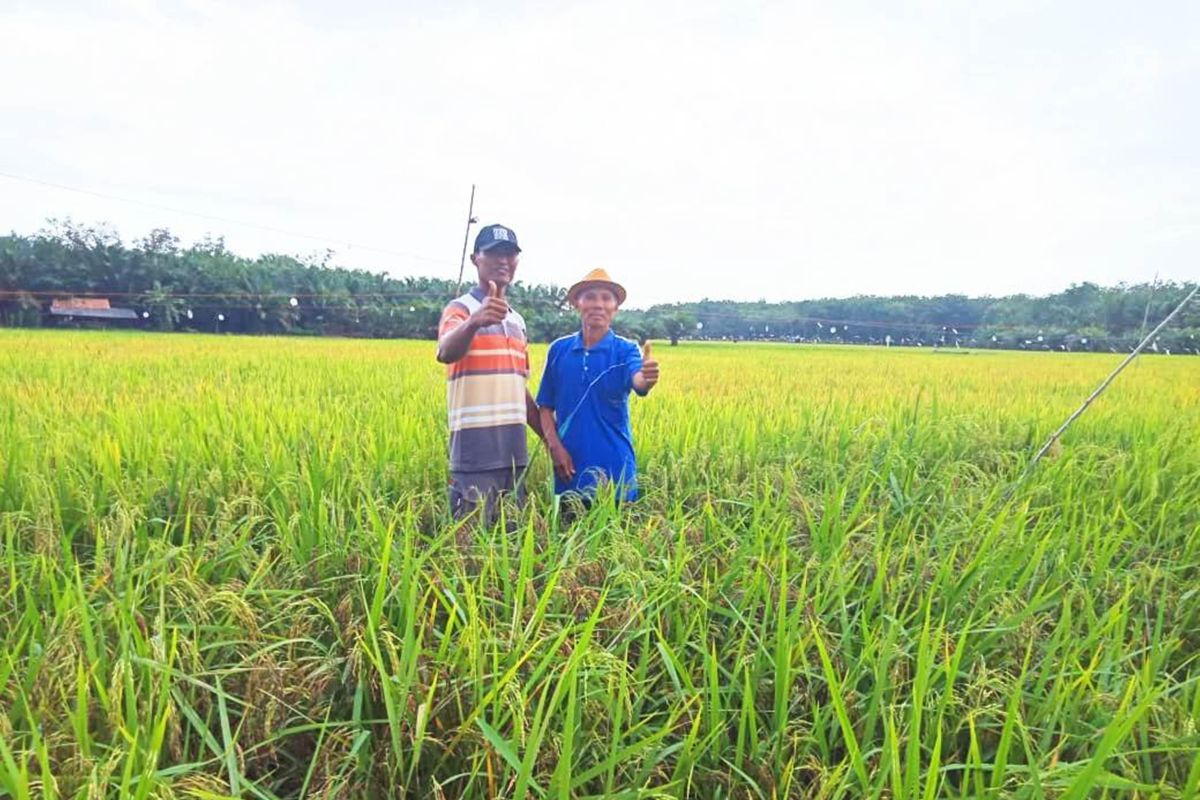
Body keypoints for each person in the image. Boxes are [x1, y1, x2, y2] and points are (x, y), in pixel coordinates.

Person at [436, 223, 544, 521]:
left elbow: (518, 388)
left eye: (510, 254)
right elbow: (445, 351)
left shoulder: (517, 321)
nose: (503, 261)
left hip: (514, 457)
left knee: (512, 546)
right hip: (474, 456)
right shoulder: (459, 309)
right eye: (494, 253)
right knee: (470, 552)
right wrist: (475, 322)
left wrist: (549, 438)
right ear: (476, 259)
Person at [536, 268, 659, 510]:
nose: (598, 304)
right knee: (566, 541)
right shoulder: (558, 350)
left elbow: (639, 383)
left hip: (616, 473)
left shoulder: (626, 350)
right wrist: (555, 448)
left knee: (616, 544)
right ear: (577, 304)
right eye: (590, 297)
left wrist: (648, 378)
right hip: (569, 472)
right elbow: (545, 407)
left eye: (606, 298)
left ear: (615, 307)